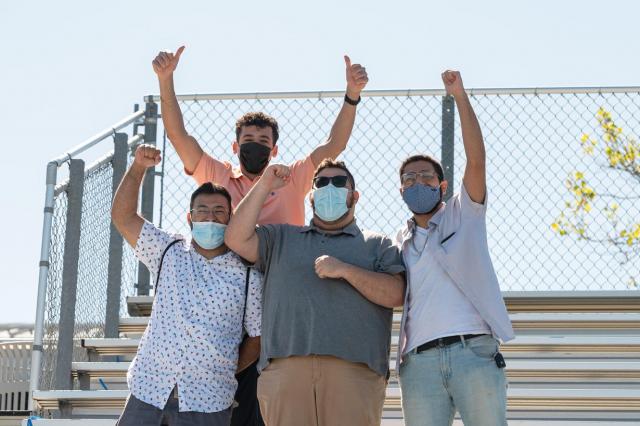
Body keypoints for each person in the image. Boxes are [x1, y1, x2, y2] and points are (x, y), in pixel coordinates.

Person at [224, 159, 406, 426]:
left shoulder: (378, 245)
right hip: (286, 372)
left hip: (355, 373)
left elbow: (396, 294)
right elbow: (235, 238)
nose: (329, 187)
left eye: (338, 182)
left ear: (354, 196)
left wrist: (345, 270)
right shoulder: (281, 237)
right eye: (321, 183)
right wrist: (264, 185)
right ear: (311, 197)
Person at [395, 71, 515, 426]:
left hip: (472, 352)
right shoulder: (397, 242)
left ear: (443, 184)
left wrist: (459, 96)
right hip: (419, 364)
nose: (419, 182)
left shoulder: (465, 214)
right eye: (409, 179)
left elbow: (476, 161)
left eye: (427, 177)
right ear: (401, 191)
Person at [112, 144, 262, 426]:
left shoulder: (248, 277)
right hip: (149, 391)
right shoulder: (168, 251)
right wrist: (138, 168)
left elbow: (257, 337)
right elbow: (123, 217)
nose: (210, 217)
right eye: (202, 211)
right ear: (189, 218)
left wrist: (225, 366)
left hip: (209, 401)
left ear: (231, 218)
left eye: (219, 211)